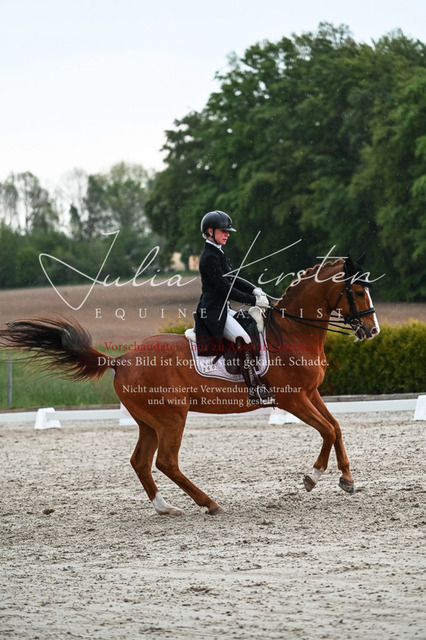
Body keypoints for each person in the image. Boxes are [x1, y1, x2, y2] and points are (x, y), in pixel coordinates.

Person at [194, 210, 275, 406]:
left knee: (252, 327)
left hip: (223, 308)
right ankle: (254, 389)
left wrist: (254, 290)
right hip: (213, 312)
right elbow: (225, 289)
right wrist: (253, 301)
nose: (227, 234)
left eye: (228, 231)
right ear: (210, 231)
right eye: (223, 231)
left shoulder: (219, 252)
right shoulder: (209, 257)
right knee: (243, 339)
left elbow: (234, 279)